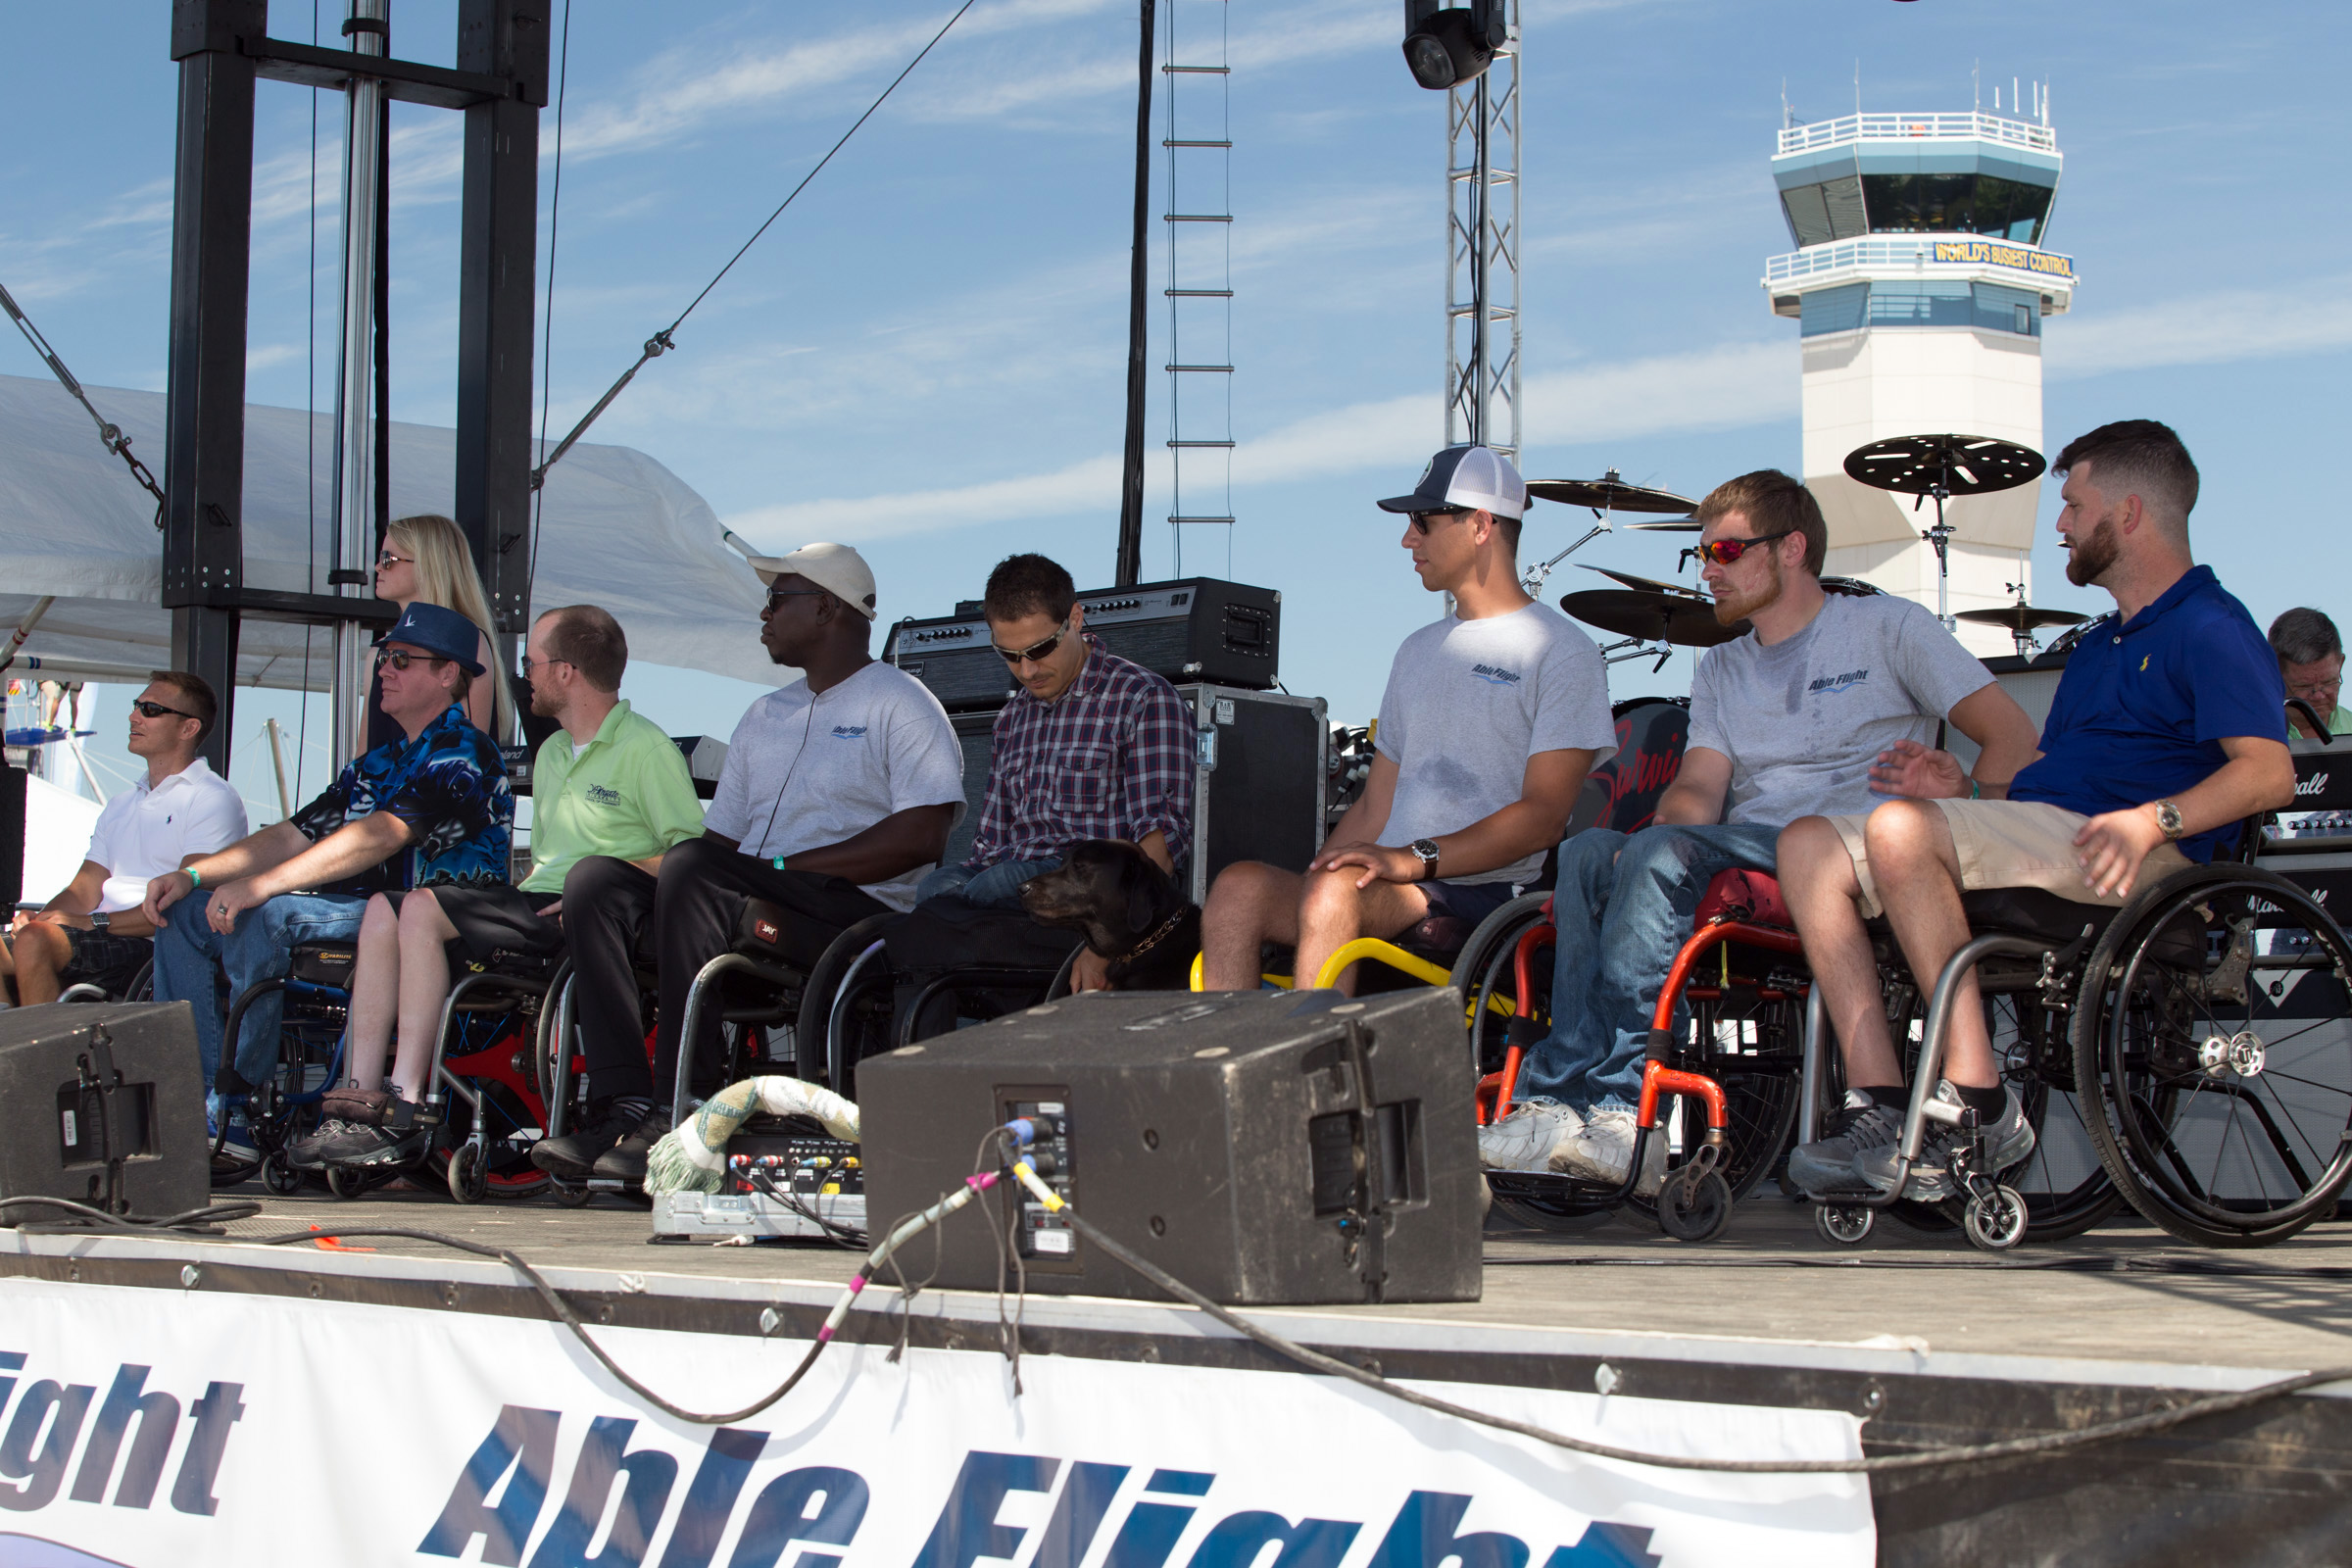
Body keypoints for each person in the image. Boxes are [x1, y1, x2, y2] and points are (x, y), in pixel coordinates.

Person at [1480, 468, 2040, 1192]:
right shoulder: (1721, 666)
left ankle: (1625, 1111)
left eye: (1727, 552)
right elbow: (1701, 788)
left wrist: (1971, 817)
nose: (1708, 571)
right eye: (1702, 554)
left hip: (1852, 856)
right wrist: (1635, 849)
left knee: (1655, 852)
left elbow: (2013, 739)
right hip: (1755, 849)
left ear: (1792, 548)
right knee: (1591, 850)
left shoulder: (1887, 626)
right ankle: (1561, 1100)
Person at [1781, 419, 2295, 1201]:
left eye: (2073, 504)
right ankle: (1882, 1104)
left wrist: (2151, 820)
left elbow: (2269, 774)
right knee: (1808, 844)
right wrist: (1964, 794)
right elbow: (2036, 801)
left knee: (1893, 828)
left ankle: (1982, 1103)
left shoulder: (2212, 626)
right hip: (2057, 837)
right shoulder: (2095, 647)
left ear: (2127, 514)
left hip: (2135, 855)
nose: (2060, 523)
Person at [562, 543, 965, 1184]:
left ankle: (686, 1105)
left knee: (692, 870)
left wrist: (786, 867)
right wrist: (638, 876)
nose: (764, 612)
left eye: (779, 599)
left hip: (851, 919)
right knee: (593, 883)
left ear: (826, 608)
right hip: (754, 895)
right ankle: (625, 1103)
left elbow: (924, 836)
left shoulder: (902, 703)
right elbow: (718, 849)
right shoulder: (764, 715)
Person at [288, 605, 704, 1171]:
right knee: (384, 912)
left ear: (565, 672)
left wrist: (604, 881)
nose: (522, 675)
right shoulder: (553, 752)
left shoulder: (646, 748)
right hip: (537, 900)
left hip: (593, 912)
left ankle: (409, 1108)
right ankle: (361, 1100)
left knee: (419, 905)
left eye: (530, 663)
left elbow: (688, 855)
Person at [1200, 444, 1615, 1002]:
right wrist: (1319, 874)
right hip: (1384, 881)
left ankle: (1308, 1083)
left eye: (1422, 521)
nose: (1407, 539)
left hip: (1485, 890)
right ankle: (1223, 1076)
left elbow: (1542, 819)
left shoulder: (1563, 651)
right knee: (1236, 889)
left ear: (1480, 525)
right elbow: (1375, 805)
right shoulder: (1416, 650)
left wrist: (1407, 859)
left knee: (1333, 891)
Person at [145, 604, 513, 1140]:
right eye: (384, 657)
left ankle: (238, 1106)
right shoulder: (375, 763)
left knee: (265, 915)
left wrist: (261, 885)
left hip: (422, 915)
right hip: (352, 911)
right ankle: (196, 1093)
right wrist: (197, 877)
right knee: (180, 913)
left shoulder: (465, 750)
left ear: (448, 674)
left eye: (402, 660)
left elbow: (384, 834)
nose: (384, 669)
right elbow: (292, 833)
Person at [915, 553, 1194, 990]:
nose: (1027, 669)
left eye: (1040, 649)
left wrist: (1106, 949)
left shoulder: (1141, 697)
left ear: (1076, 619)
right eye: (1009, 655)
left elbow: (1156, 848)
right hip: (1014, 887)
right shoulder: (1010, 719)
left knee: (990, 885)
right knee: (937, 886)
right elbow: (991, 842)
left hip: (1080, 883)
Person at [1, 673, 245, 1006]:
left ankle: (41, 1057)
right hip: (99, 932)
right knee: (26, 937)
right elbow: (82, 891)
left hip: (154, 946)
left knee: (34, 942)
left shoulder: (212, 798)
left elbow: (183, 907)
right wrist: (41, 918)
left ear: (189, 728)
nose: (134, 716)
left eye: (150, 709)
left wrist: (89, 922)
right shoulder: (121, 804)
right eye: (136, 706)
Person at [362, 513, 510, 754]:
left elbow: (469, 756)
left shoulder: (468, 641)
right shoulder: (378, 653)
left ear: (426, 564)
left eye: (388, 558)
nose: (378, 566)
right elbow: (363, 755)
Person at [2269, 607, 2350, 741]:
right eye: (2304, 686)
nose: (2318, 696)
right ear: (2274, 672)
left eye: (2328, 682)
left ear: (2340, 664)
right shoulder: (2249, 734)